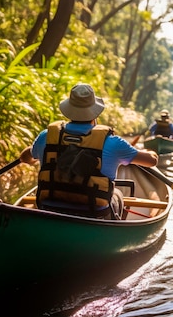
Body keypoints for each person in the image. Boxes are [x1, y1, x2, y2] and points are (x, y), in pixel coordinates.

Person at [19, 83, 158, 220]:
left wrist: (31, 155)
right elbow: (152, 161)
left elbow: (25, 157)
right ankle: (113, 230)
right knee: (117, 194)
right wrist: (149, 151)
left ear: (69, 111)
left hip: (49, 207)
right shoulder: (114, 143)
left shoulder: (46, 136)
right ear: (95, 113)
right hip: (93, 212)